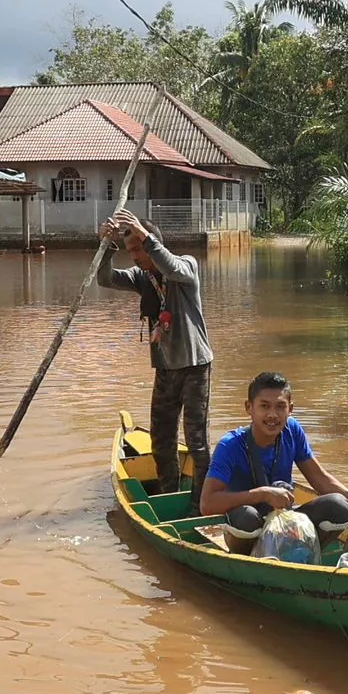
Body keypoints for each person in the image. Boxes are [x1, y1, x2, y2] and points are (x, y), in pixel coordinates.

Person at [200, 371, 348, 555]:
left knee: (340, 506)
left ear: (290, 409)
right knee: (247, 517)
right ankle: (252, 561)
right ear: (249, 408)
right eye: (264, 406)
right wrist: (263, 494)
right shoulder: (230, 445)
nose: (273, 415)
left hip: (286, 519)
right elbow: (207, 504)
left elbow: (319, 477)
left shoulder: (292, 430)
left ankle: (301, 554)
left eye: (280, 406)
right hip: (247, 527)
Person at [97, 209, 213, 513]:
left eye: (138, 249)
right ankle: (167, 495)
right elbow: (105, 279)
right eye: (130, 250)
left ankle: (198, 505)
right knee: (161, 440)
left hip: (194, 366)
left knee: (197, 442)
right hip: (165, 369)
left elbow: (172, 267)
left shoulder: (186, 266)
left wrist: (144, 235)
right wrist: (106, 246)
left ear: (151, 243)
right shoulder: (142, 276)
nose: (134, 256)